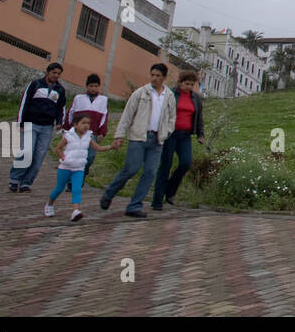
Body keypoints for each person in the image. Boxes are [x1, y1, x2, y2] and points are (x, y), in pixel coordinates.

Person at [99, 63, 177, 219]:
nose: (154, 78)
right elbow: (127, 115)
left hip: (157, 139)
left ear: (164, 78)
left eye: (158, 76)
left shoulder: (168, 96)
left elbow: (172, 118)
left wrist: (166, 132)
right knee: (131, 169)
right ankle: (109, 193)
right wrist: (119, 135)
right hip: (139, 137)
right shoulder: (141, 93)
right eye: (152, 75)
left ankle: (135, 205)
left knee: (149, 172)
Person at [151, 69, 205, 211]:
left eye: (192, 84)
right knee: (165, 165)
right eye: (187, 84)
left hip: (185, 135)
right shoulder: (171, 94)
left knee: (185, 163)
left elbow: (199, 118)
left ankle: (170, 191)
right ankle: (157, 200)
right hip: (170, 134)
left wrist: (201, 135)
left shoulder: (196, 98)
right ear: (180, 83)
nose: (189, 87)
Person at [9, 62, 67, 193]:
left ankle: (26, 183)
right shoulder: (35, 84)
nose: (56, 76)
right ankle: (14, 180)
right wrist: (21, 122)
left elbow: (61, 108)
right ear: (48, 72)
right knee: (26, 152)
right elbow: (24, 103)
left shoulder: (60, 90)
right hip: (31, 124)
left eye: (58, 74)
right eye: (54, 73)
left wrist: (59, 122)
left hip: (46, 128)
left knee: (39, 156)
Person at [45, 113, 112, 222]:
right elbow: (58, 148)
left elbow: (98, 148)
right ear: (75, 125)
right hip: (65, 167)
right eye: (83, 123)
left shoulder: (88, 137)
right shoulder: (68, 136)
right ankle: (49, 204)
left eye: (88, 124)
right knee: (59, 189)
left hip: (79, 168)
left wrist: (111, 146)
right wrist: (63, 157)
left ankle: (75, 211)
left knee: (76, 189)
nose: (86, 126)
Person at [64, 73, 109, 177]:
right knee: (75, 156)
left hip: (92, 133)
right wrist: (67, 127)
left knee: (90, 157)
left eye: (96, 86)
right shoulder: (79, 98)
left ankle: (84, 170)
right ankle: (73, 180)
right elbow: (70, 113)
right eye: (91, 86)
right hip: (77, 133)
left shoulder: (103, 100)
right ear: (87, 86)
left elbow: (104, 116)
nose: (93, 88)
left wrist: (102, 132)